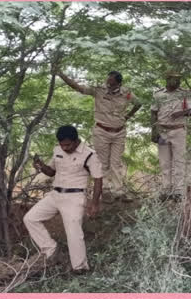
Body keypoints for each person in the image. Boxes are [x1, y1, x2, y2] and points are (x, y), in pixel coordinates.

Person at [24, 125, 103, 273]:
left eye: (68, 144)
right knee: (30, 218)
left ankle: (80, 268)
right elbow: (51, 172)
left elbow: (98, 179)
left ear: (76, 140)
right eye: (62, 145)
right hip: (55, 195)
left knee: (74, 232)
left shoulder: (90, 154)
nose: (65, 148)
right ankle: (51, 250)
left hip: (75, 197)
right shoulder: (57, 150)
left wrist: (94, 203)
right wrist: (41, 165)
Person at [57, 69, 141, 203]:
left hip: (119, 132)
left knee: (116, 162)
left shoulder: (127, 93)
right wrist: (62, 75)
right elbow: (79, 88)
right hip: (101, 131)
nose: (108, 85)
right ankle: (106, 191)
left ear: (118, 84)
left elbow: (138, 103)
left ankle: (118, 191)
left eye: (111, 83)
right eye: (107, 81)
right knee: (103, 162)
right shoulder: (98, 90)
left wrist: (128, 116)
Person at [151, 70, 191, 202]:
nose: (177, 82)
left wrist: (181, 113)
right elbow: (153, 112)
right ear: (167, 79)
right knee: (164, 162)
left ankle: (178, 192)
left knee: (179, 162)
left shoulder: (184, 94)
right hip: (163, 131)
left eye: (179, 80)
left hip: (178, 131)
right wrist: (154, 131)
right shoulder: (158, 94)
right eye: (174, 79)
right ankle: (165, 190)